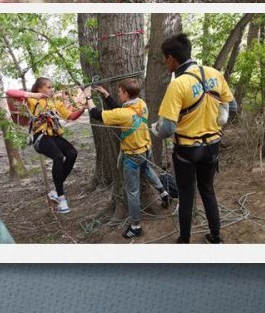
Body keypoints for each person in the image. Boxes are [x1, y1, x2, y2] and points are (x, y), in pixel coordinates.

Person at [151, 33, 236, 244]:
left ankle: (185, 240)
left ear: (171, 58)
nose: (164, 62)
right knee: (208, 190)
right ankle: (216, 237)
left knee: (187, 195)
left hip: (187, 150)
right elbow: (232, 107)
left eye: (164, 58)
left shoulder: (178, 84)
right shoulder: (215, 73)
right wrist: (217, 118)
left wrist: (156, 129)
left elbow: (168, 128)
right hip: (212, 147)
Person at [85, 79, 170, 239]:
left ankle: (135, 226)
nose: (118, 93)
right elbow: (120, 111)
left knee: (132, 191)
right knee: (147, 169)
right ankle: (163, 193)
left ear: (126, 94)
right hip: (146, 149)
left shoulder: (125, 113)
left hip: (132, 155)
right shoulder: (140, 104)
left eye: (120, 92)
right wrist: (106, 94)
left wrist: (88, 97)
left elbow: (96, 114)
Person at [7, 78, 84, 214]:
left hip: (54, 136)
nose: (51, 89)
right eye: (48, 87)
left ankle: (55, 190)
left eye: (51, 87)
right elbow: (9, 92)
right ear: (39, 89)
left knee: (72, 153)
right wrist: (32, 95)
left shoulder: (55, 102)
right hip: (41, 137)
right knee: (58, 157)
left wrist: (84, 108)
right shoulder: (32, 100)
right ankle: (61, 198)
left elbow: (71, 116)